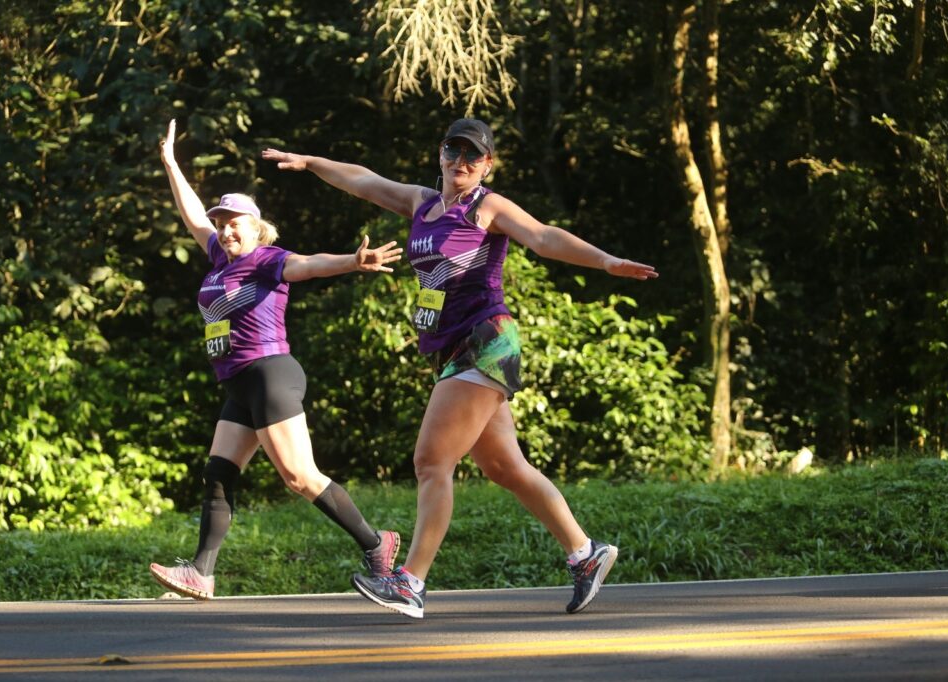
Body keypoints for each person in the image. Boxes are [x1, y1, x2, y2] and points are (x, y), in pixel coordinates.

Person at [261, 118, 659, 619]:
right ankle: (585, 553)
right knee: (503, 467)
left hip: (487, 340)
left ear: (487, 164)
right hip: (451, 348)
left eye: (474, 156)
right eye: (454, 151)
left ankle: (410, 582)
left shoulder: (486, 206)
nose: (462, 162)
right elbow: (362, 180)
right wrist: (311, 161)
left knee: (431, 461)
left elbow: (543, 236)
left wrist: (606, 262)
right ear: (441, 155)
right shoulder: (421, 203)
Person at [149, 119, 403, 600]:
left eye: (234, 224)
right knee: (219, 472)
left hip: (270, 374)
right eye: (221, 224)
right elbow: (192, 218)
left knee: (298, 477)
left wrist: (353, 261)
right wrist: (171, 164)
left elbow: (308, 265)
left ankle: (377, 544)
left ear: (256, 228)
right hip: (239, 383)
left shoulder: (267, 258)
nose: (225, 231)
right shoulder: (219, 259)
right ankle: (200, 572)